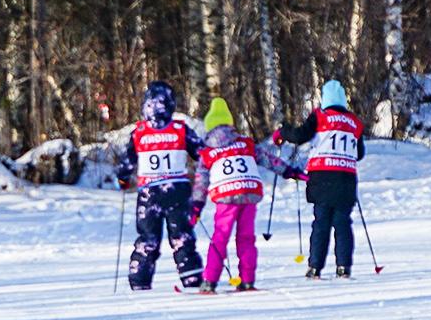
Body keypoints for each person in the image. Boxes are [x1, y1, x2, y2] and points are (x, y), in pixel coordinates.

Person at [195, 97, 302, 293]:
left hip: (226, 195)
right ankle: (247, 280)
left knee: (220, 236)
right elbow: (269, 159)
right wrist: (289, 171)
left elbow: (201, 182)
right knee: (246, 237)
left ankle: (209, 281)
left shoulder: (208, 152)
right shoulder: (246, 143)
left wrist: (196, 206)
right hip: (249, 191)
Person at [116, 81, 205, 291]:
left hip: (149, 193)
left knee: (148, 236)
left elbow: (127, 162)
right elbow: (202, 153)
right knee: (181, 234)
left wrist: (123, 179)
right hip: (178, 190)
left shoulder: (139, 132)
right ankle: (191, 276)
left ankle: (139, 278)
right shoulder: (180, 129)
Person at [275, 79, 365, 279]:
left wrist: (282, 132)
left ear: (325, 100)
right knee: (342, 223)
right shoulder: (355, 122)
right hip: (346, 179)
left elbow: (300, 136)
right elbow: (359, 154)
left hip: (322, 177)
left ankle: (315, 266)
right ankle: (344, 267)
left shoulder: (319, 116)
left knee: (321, 222)